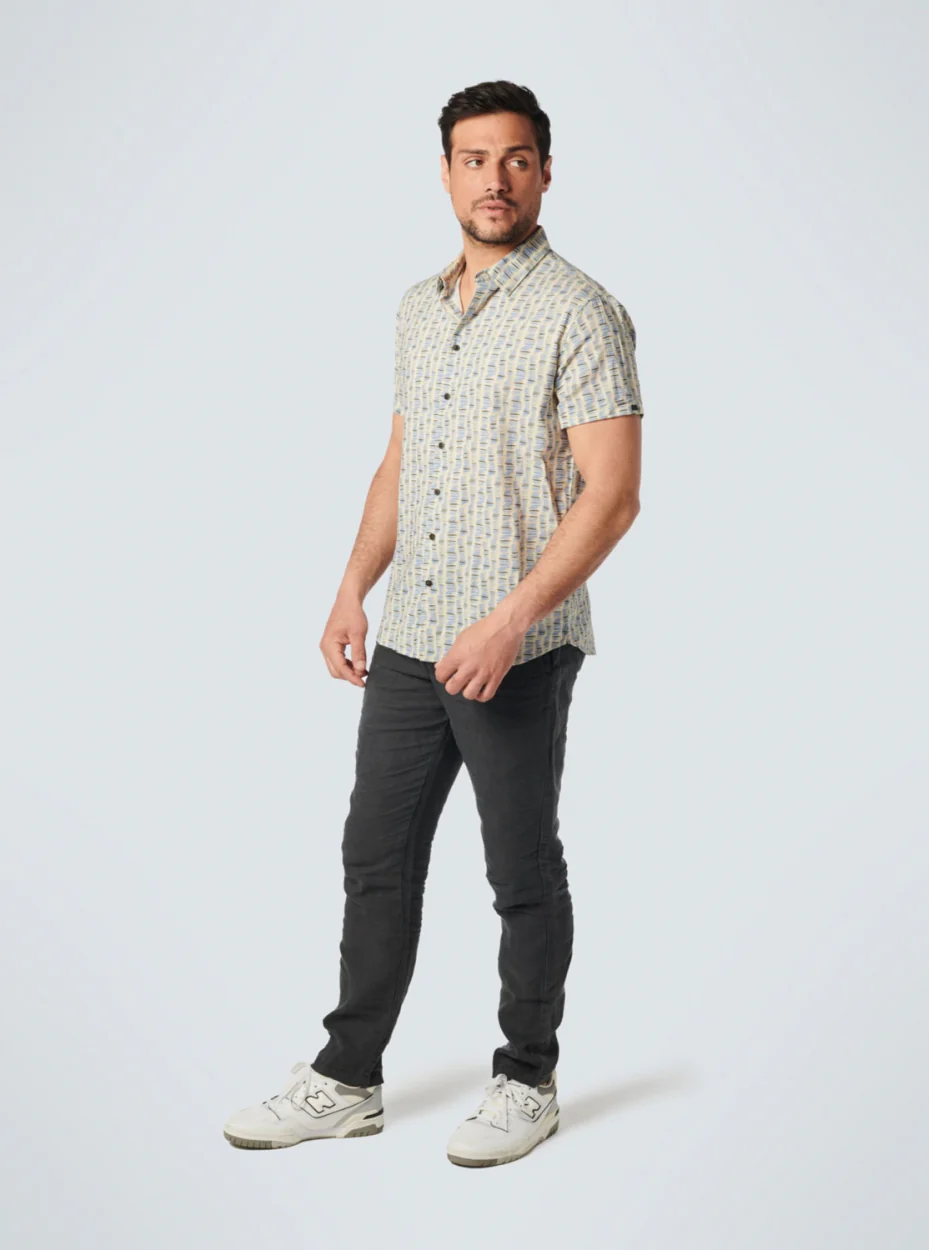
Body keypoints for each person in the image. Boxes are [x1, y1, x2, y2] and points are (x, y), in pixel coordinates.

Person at [224, 79, 644, 1168]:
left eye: (515, 159)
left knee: (519, 870)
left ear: (544, 173)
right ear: (446, 171)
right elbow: (401, 461)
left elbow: (611, 495)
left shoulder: (582, 310)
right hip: (411, 635)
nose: (493, 179)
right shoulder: (418, 306)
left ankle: (527, 1080)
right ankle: (346, 1077)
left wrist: (511, 622)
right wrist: (350, 589)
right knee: (375, 857)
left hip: (518, 648)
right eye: (472, 158)